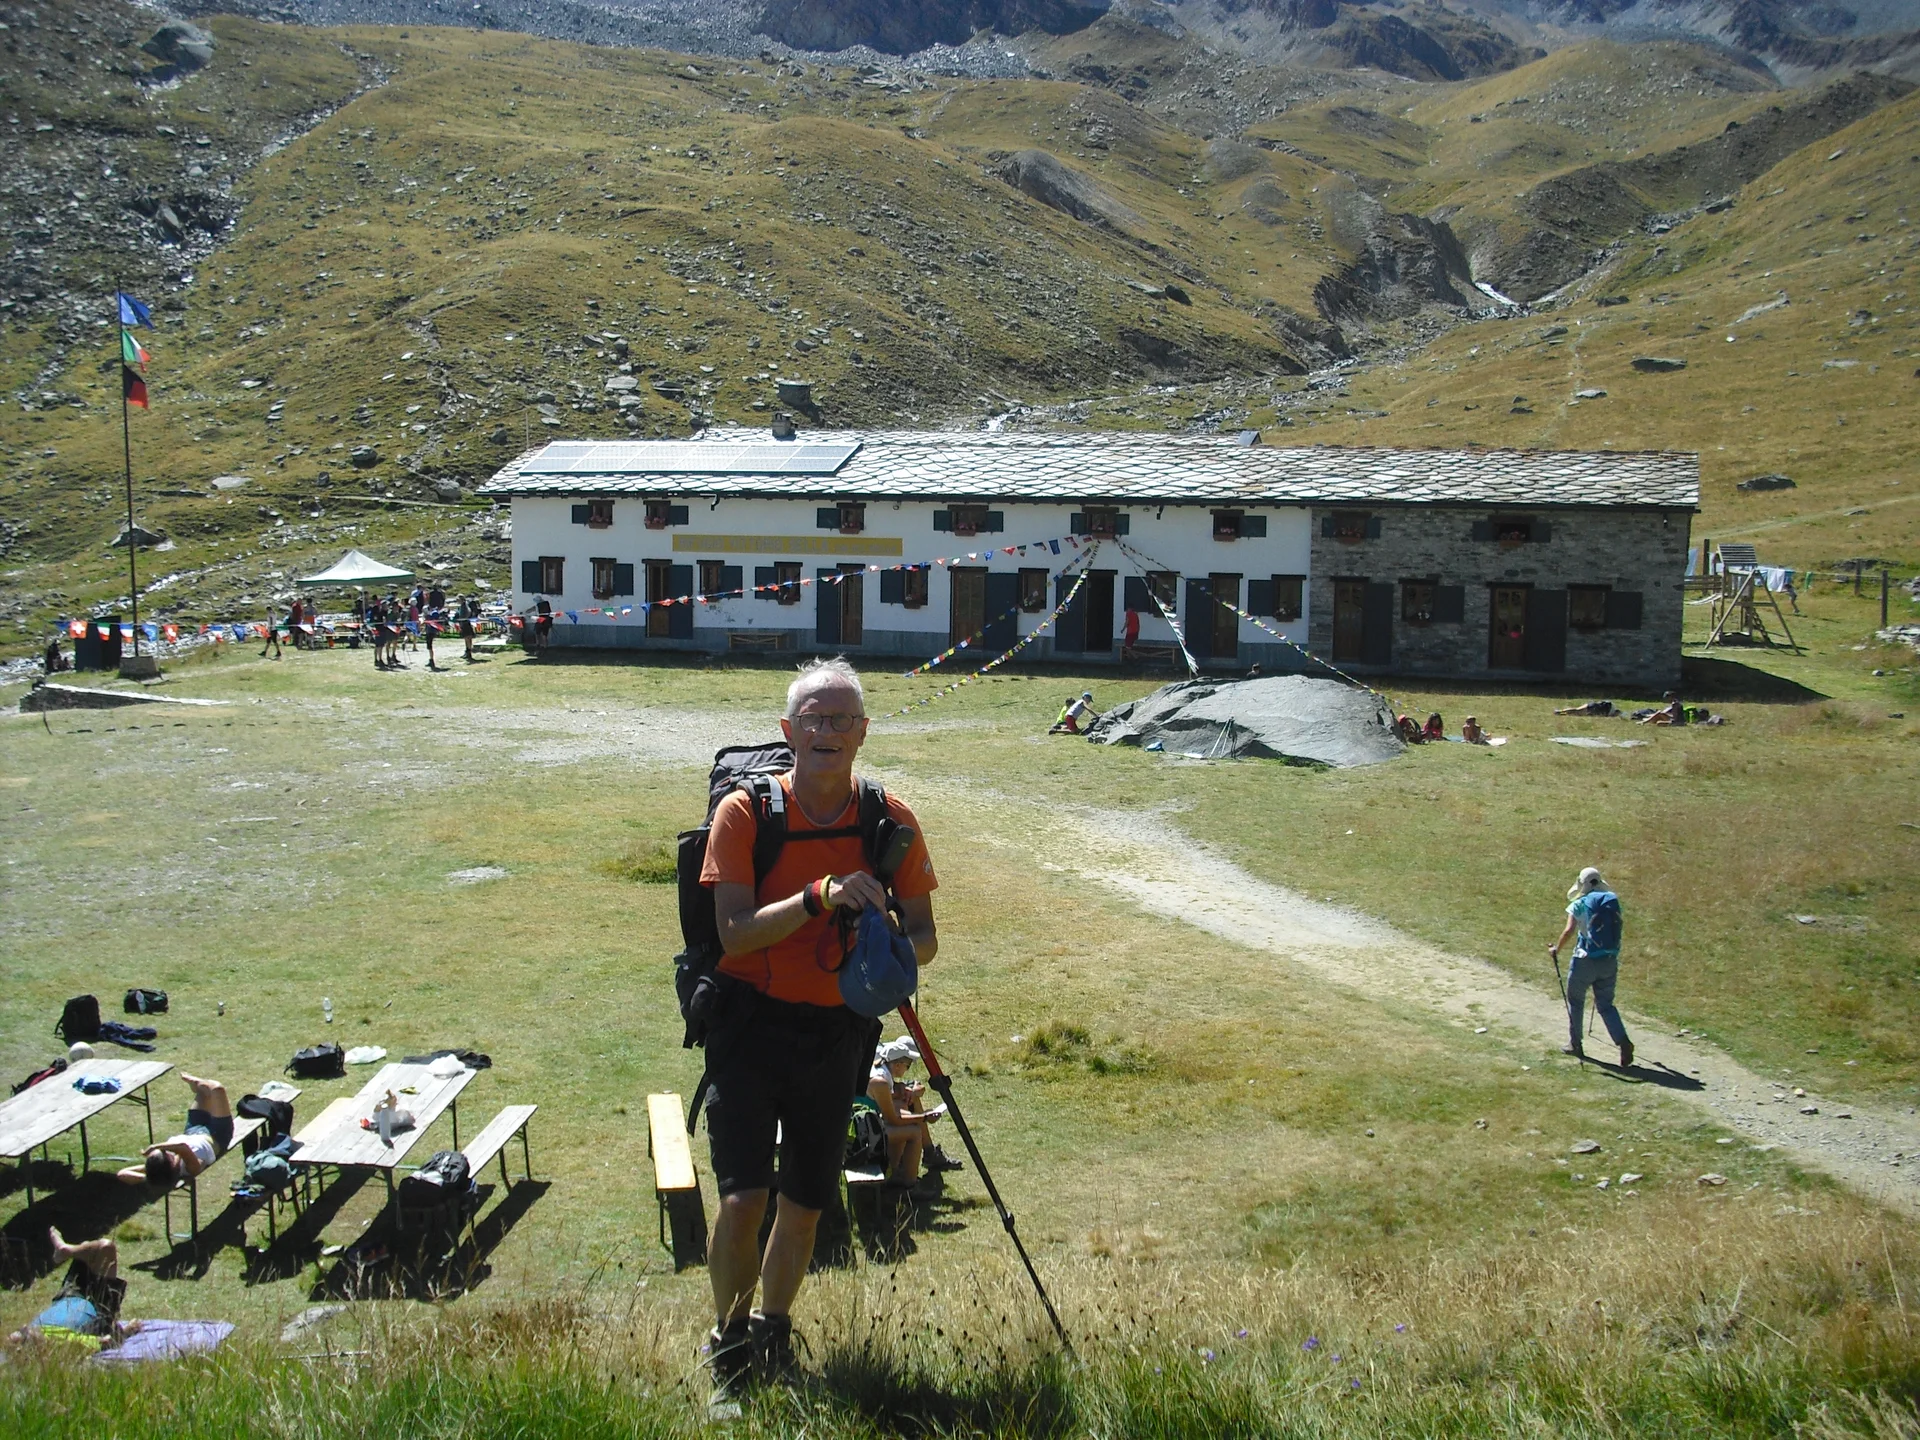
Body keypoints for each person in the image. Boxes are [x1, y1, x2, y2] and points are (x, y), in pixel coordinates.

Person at [698, 657, 938, 1398]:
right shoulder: (746, 814)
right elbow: (734, 934)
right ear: (787, 731)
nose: (826, 731)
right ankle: (728, 1346)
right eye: (813, 719)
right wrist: (819, 895)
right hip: (748, 1026)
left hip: (838, 1032)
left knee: (805, 1202)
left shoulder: (888, 820)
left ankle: (775, 1330)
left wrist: (890, 941)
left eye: (840, 720)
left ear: (863, 732)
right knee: (743, 1201)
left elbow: (926, 935)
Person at [1550, 867, 1633, 1067]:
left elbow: (1569, 930)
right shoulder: (1611, 901)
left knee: (1576, 1001)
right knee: (1605, 1004)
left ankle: (1575, 1043)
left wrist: (1556, 950)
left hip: (1584, 960)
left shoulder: (1579, 904)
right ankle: (1623, 1042)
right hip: (1609, 960)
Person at [4, 1228, 135, 1351]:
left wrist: (24, 1336)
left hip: (68, 1296)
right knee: (106, 1247)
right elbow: (106, 1341)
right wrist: (127, 1331)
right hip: (97, 1307)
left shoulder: (32, 1333)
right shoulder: (63, 1345)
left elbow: (14, 1340)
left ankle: (66, 1250)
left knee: (92, 1248)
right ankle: (66, 1251)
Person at [866, 1036, 960, 1188]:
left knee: (910, 1108)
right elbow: (893, 1120)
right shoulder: (881, 1082)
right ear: (897, 1065)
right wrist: (924, 1117)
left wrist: (903, 1088)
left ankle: (899, 1169)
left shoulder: (882, 1073)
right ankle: (909, 1185)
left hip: (869, 1123)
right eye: (908, 1065)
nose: (908, 1069)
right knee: (914, 1132)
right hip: (865, 1132)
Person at [117, 1073, 234, 1187]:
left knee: (204, 1092)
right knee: (217, 1089)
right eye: (166, 1152)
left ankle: (198, 1086)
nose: (167, 1150)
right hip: (218, 1134)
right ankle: (198, 1084)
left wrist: (153, 1179)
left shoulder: (159, 1169)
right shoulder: (190, 1168)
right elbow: (182, 1147)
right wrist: (155, 1147)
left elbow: (122, 1174)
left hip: (192, 1130)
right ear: (173, 1165)